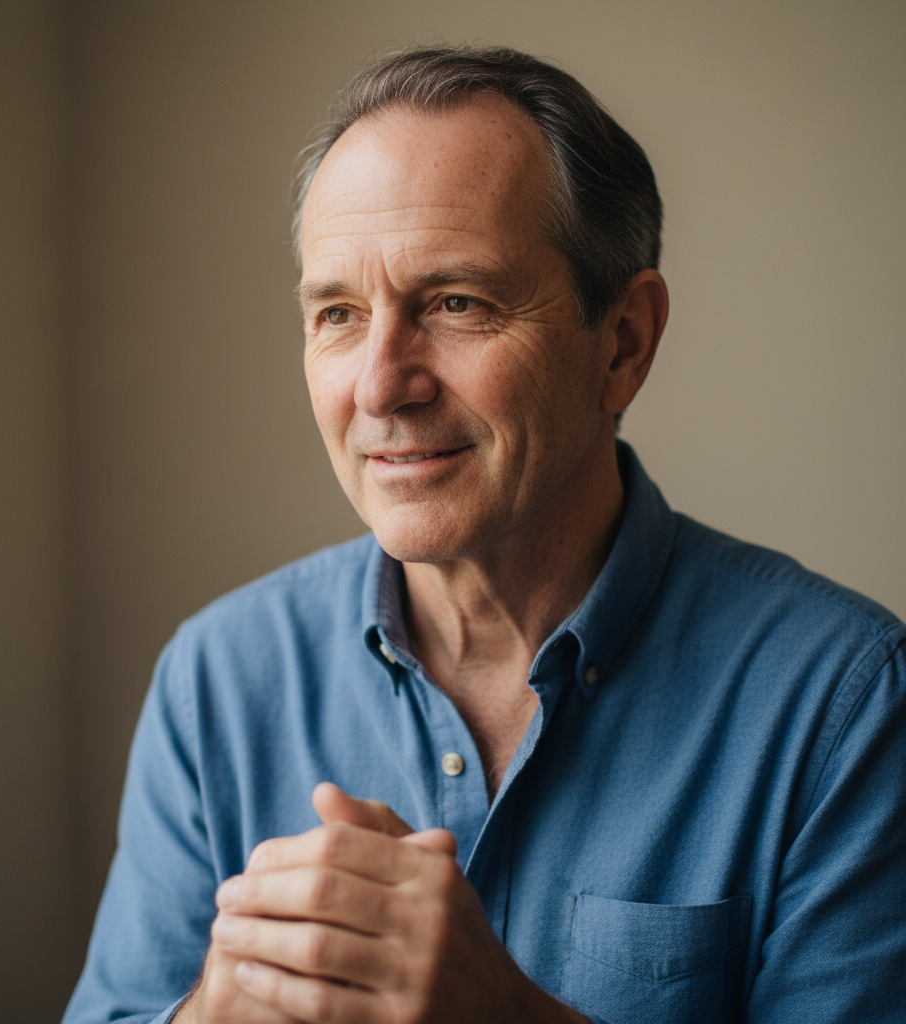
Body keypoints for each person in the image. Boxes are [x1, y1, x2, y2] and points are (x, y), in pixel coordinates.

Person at [63, 46, 906, 1024]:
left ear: (623, 340)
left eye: (456, 302)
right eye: (336, 313)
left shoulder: (843, 702)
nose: (379, 385)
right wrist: (212, 1012)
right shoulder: (215, 676)